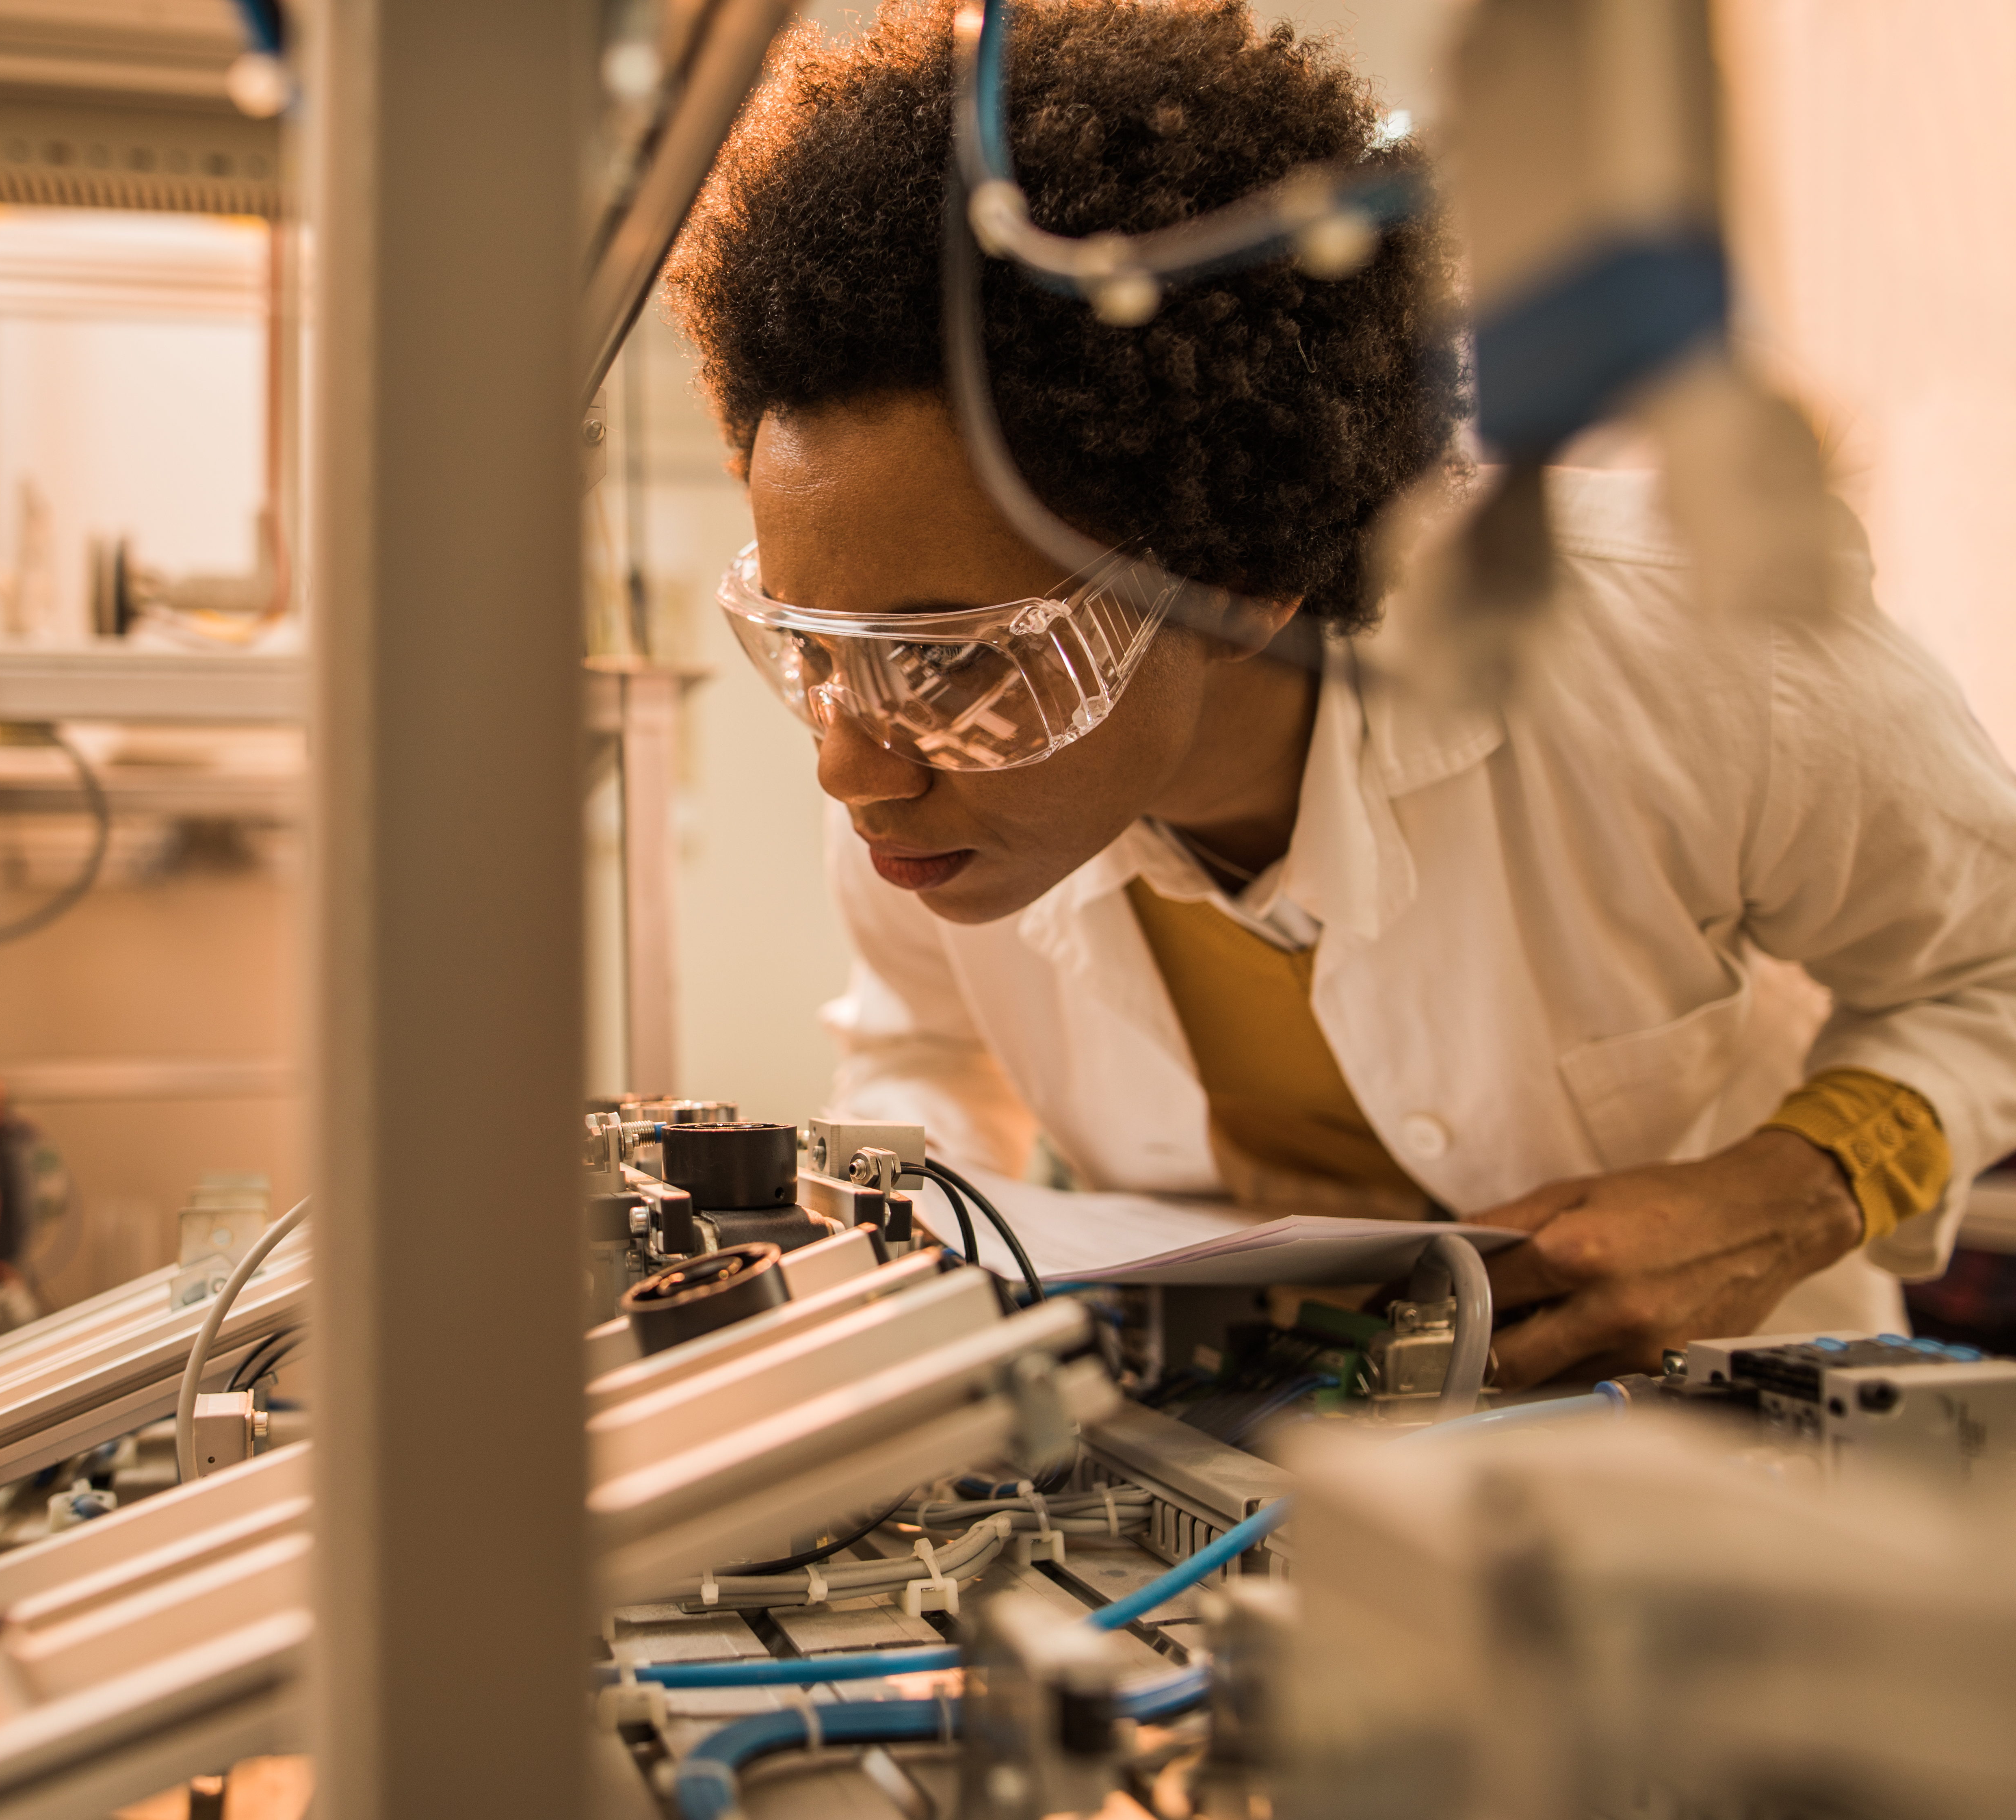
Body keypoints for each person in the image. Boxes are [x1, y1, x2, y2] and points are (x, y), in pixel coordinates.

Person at [663, 0, 2016, 1385]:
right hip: (1246, 1470)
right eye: (814, 646)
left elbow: (1993, 970)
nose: (853, 765)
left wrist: (1786, 1195)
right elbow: (929, 1061)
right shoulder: (922, 766)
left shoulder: (1698, 648)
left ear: (1243, 578)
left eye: (946, 653)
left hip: (1724, 1460)